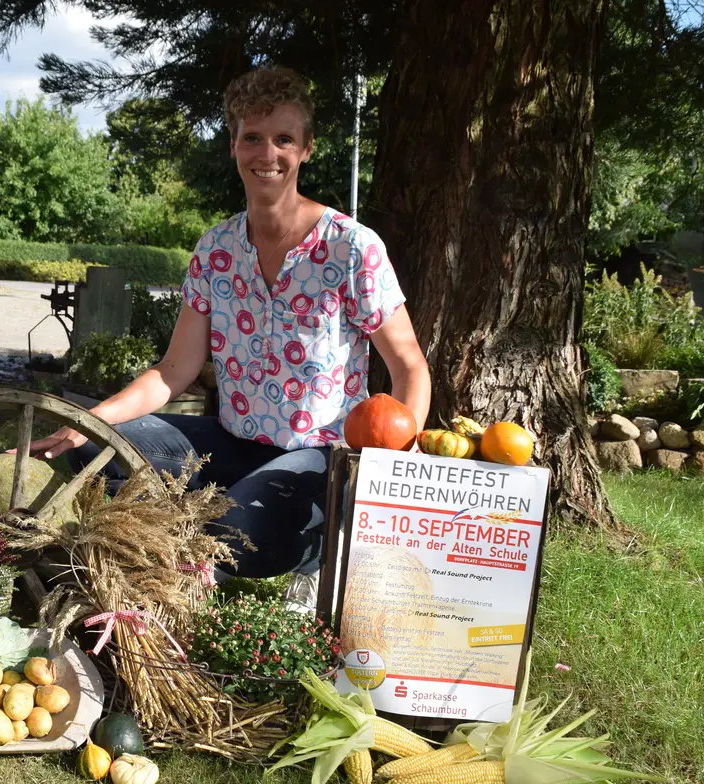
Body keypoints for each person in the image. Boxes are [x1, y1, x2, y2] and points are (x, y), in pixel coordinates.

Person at [29, 66, 432, 579]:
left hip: (318, 456)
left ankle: (316, 549)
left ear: (306, 148)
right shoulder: (216, 249)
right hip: (229, 441)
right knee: (90, 442)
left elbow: (410, 367)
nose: (268, 154)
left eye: (284, 139)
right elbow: (175, 369)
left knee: (233, 531)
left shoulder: (350, 248)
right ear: (235, 146)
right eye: (253, 138)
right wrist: (96, 419)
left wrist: (396, 464)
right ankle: (195, 530)